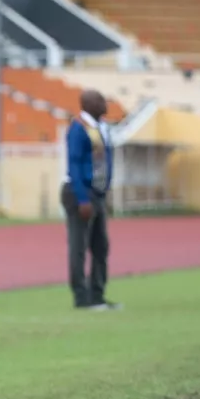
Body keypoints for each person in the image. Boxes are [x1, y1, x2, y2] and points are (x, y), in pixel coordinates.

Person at [62, 90, 119, 310]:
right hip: (80, 193)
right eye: (100, 100)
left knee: (100, 246)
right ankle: (81, 297)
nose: (104, 103)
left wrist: (104, 193)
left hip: (97, 193)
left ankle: (97, 295)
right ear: (87, 104)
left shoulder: (102, 128)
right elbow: (74, 164)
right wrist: (82, 198)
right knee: (79, 247)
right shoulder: (78, 128)